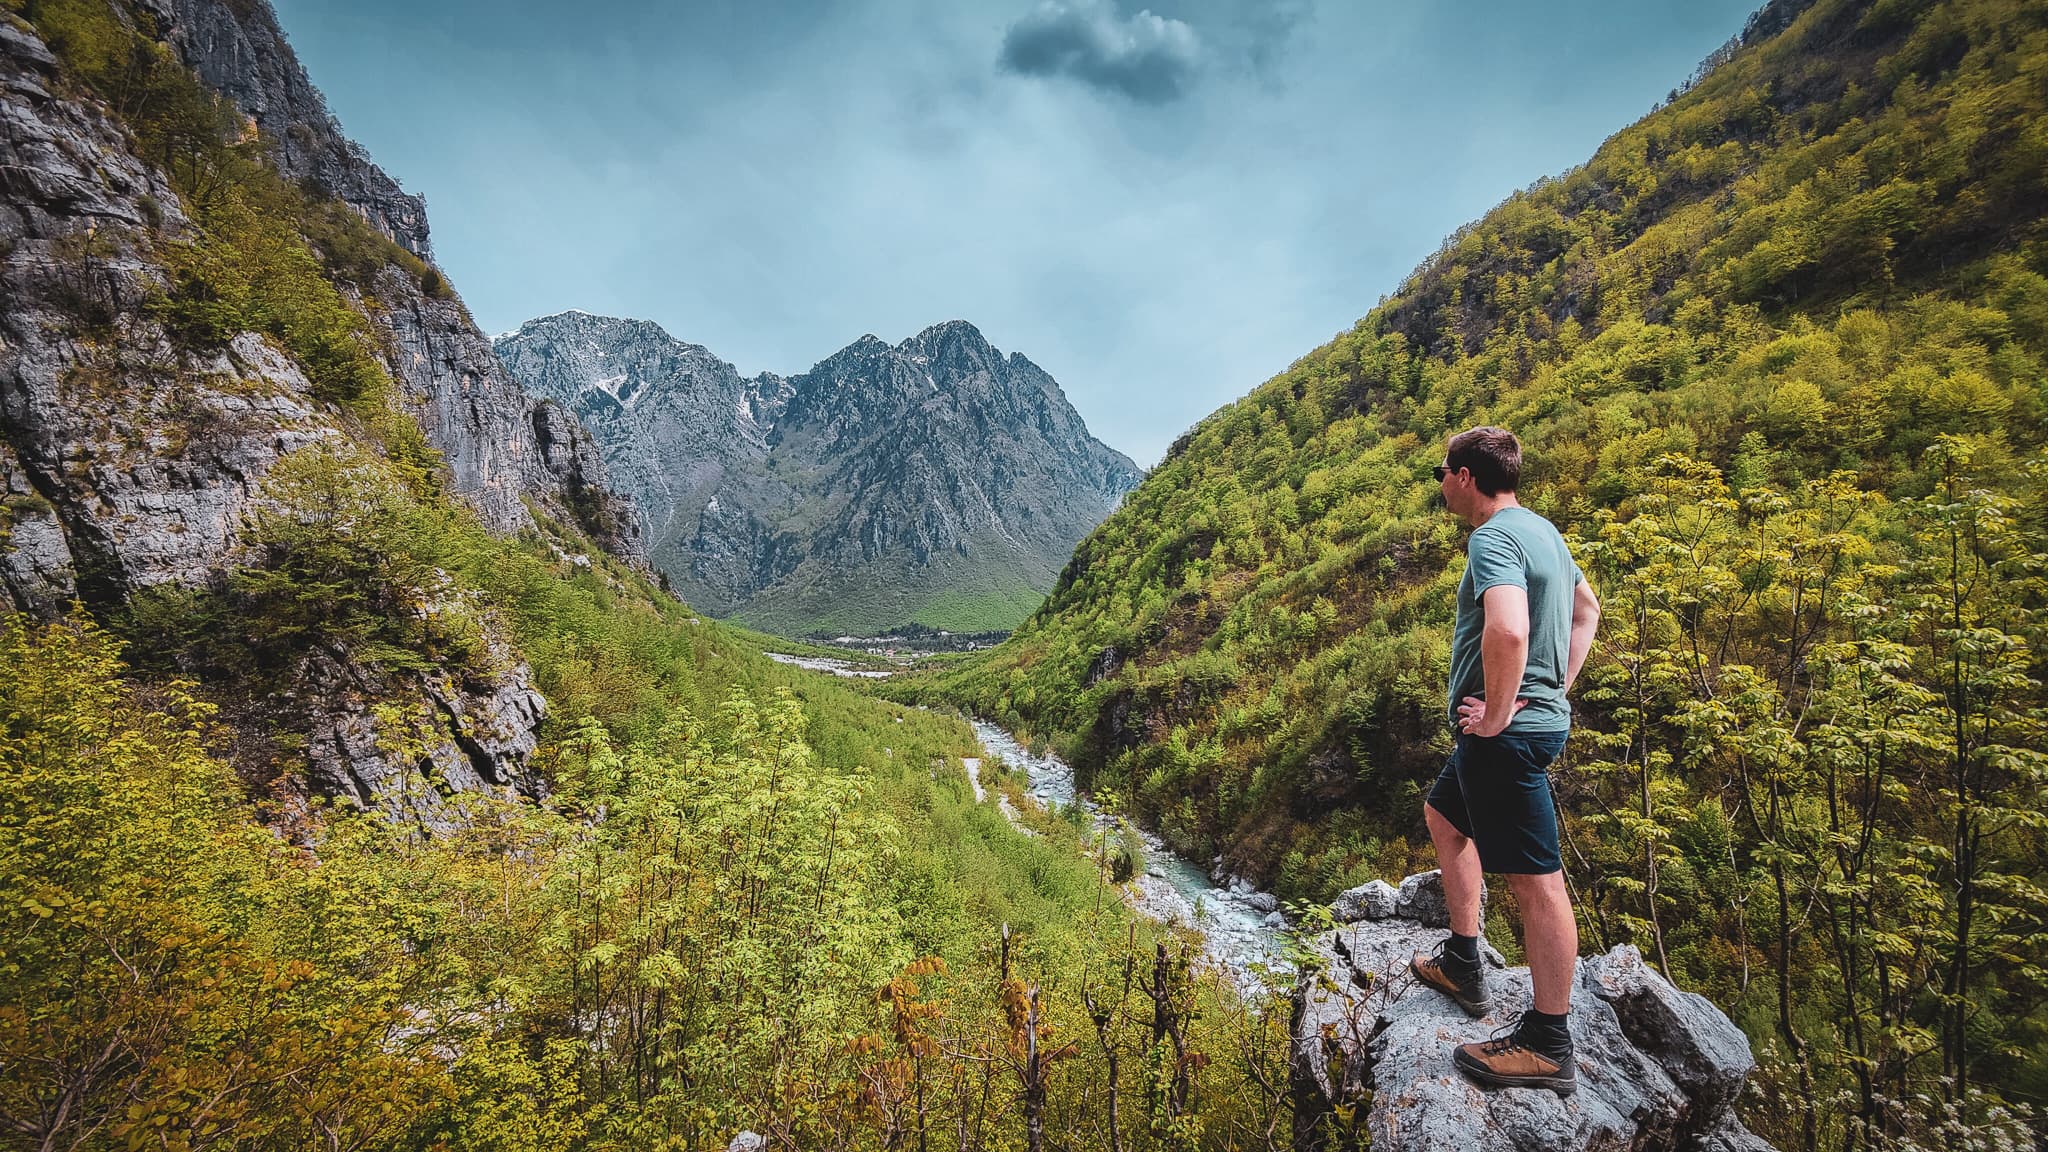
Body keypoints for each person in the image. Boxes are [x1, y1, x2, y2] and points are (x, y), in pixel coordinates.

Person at [1407, 426, 1600, 1097]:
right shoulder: (1544, 532)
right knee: (1443, 815)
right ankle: (1464, 959)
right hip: (1521, 729)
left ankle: (1549, 1044)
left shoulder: (1491, 538)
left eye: (1442, 471)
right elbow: (1586, 611)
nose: (1440, 483)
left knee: (1535, 882)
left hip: (1503, 740)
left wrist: (1498, 710)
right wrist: (1551, 691)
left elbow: (1510, 626)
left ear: (1465, 476)